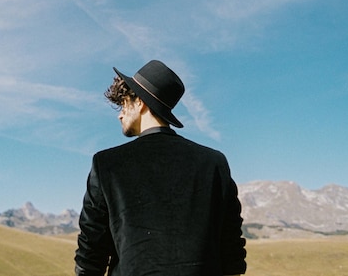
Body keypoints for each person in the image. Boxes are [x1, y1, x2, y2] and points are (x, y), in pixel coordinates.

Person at [75, 60, 247, 276]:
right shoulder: (214, 163)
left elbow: (90, 254)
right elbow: (232, 254)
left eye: (124, 103)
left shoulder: (106, 164)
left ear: (140, 103)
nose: (120, 114)